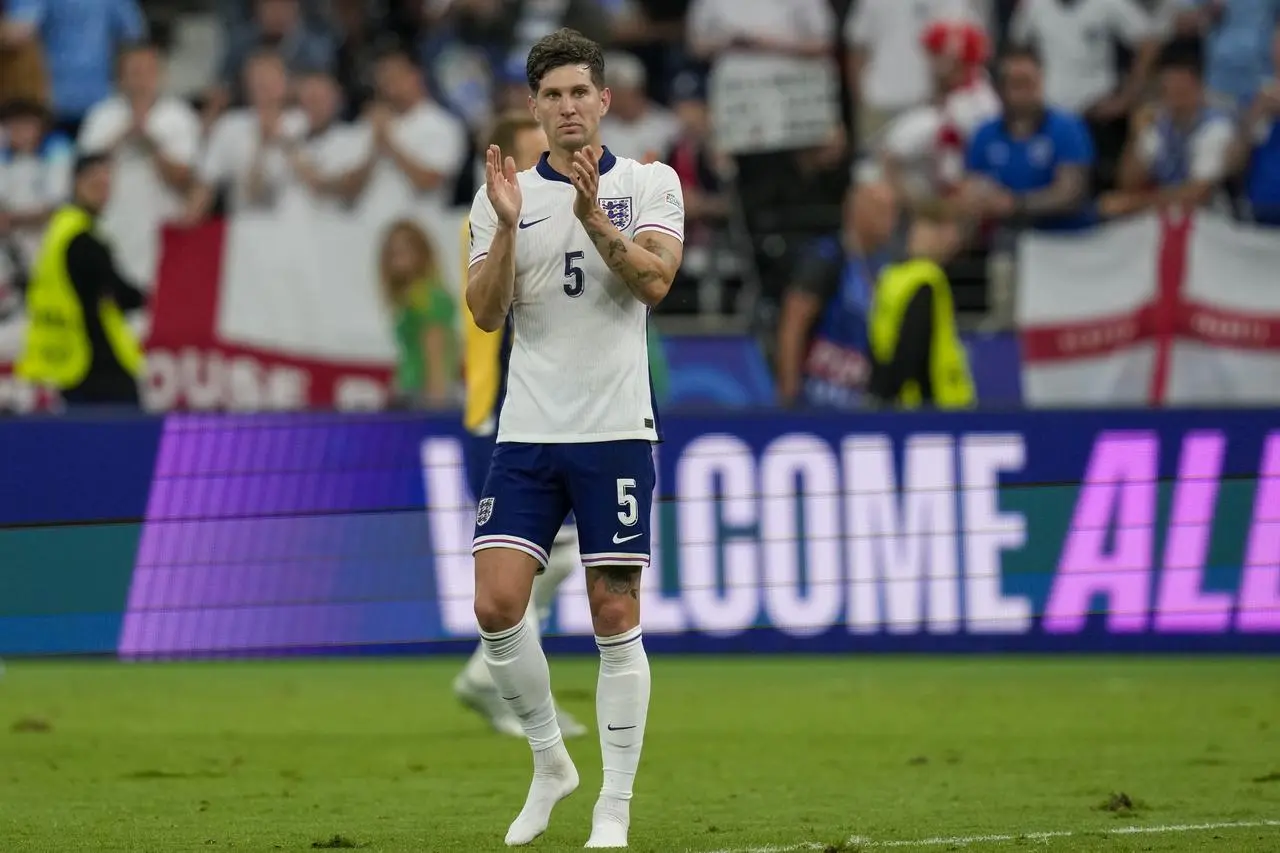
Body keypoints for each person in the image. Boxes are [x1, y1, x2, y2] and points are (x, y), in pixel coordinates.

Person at [465, 28, 684, 849]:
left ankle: (614, 807)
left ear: (605, 100)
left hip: (617, 430)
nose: (566, 108)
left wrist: (595, 219)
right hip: (528, 430)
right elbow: (486, 313)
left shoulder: (651, 182)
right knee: (495, 604)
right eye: (550, 96)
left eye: (578, 93)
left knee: (612, 609)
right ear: (534, 107)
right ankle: (551, 762)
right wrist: (515, 226)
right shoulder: (500, 194)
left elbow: (655, 281)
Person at [453, 110, 588, 742]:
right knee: (539, 556)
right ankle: (496, 677)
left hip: (541, 408)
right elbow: (493, 313)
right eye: (531, 157)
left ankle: (501, 678)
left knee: (555, 558)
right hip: (510, 410)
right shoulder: (495, 219)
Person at [16, 153, 146, 407]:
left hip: (65, 362)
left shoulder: (58, 230)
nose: (103, 193)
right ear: (77, 182)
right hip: (92, 360)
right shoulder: (83, 239)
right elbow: (121, 293)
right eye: (96, 184)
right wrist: (145, 296)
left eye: (107, 185)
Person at [774, 181, 899, 410]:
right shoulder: (826, 259)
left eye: (894, 211)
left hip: (859, 401)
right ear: (857, 210)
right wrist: (789, 395)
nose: (892, 220)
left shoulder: (886, 267)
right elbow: (793, 325)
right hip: (816, 398)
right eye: (883, 210)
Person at [867, 218, 977, 409]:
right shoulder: (927, 278)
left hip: (890, 393)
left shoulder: (889, 276)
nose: (953, 240)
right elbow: (913, 345)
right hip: (930, 400)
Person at [378, 219, 458, 408]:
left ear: (421, 252)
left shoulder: (424, 296)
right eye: (393, 252)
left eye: (405, 250)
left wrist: (436, 396)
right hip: (412, 387)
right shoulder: (413, 296)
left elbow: (434, 341)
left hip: (422, 393)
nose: (397, 258)